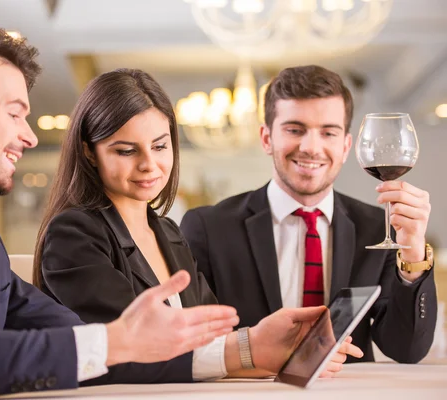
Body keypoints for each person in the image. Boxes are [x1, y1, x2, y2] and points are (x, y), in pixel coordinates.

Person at [0, 23, 244, 399]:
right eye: (14, 113)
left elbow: (80, 340)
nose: (29, 135)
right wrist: (116, 340)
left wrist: (245, 348)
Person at [33, 68, 362, 383]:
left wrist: (283, 349)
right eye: (126, 151)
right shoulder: (73, 235)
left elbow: (211, 341)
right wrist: (252, 347)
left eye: (160, 146)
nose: (149, 165)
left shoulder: (168, 233)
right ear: (90, 153)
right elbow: (128, 350)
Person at [180, 65, 437, 364]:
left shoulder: (376, 229)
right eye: (294, 130)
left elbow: (406, 350)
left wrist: (414, 250)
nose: (311, 147)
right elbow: (191, 342)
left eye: (328, 132)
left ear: (345, 146)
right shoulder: (208, 227)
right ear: (266, 138)